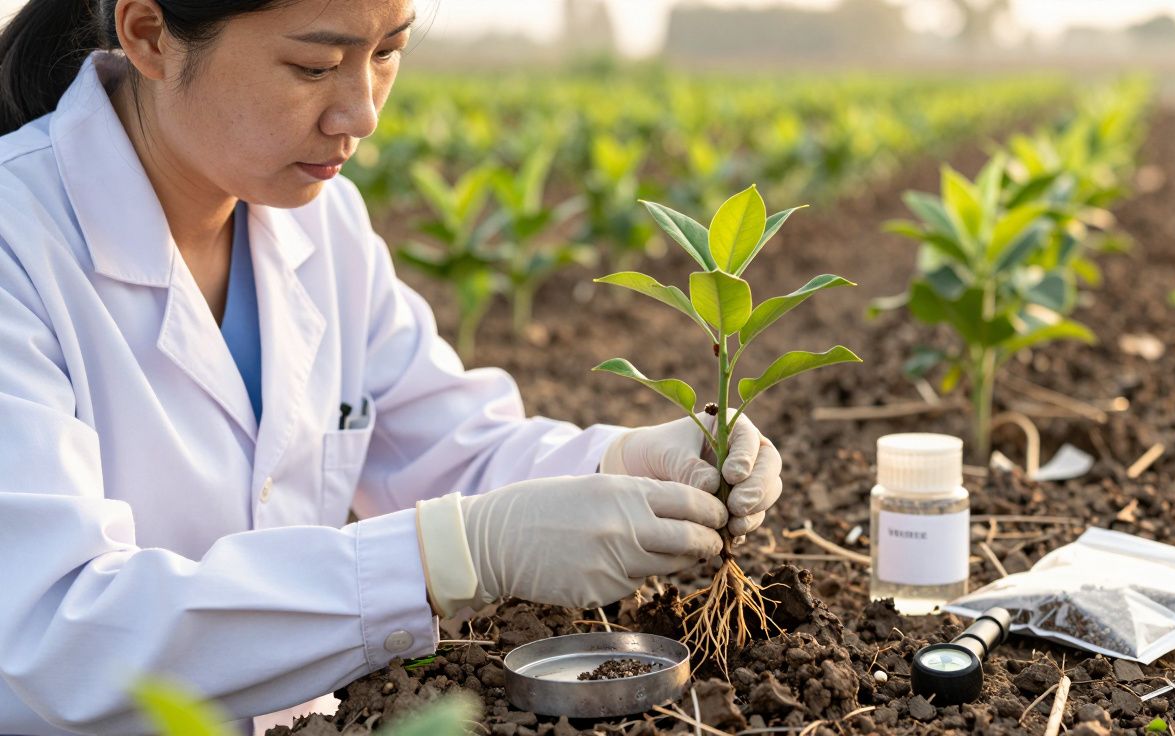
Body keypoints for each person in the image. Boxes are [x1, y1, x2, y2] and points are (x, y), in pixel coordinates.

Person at [0, 1, 785, 734]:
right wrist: (452, 554)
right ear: (148, 35)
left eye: (388, 51)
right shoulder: (18, 245)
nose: (364, 114)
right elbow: (53, 631)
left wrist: (622, 462)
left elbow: (446, 448)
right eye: (314, 67)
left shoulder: (324, 222)